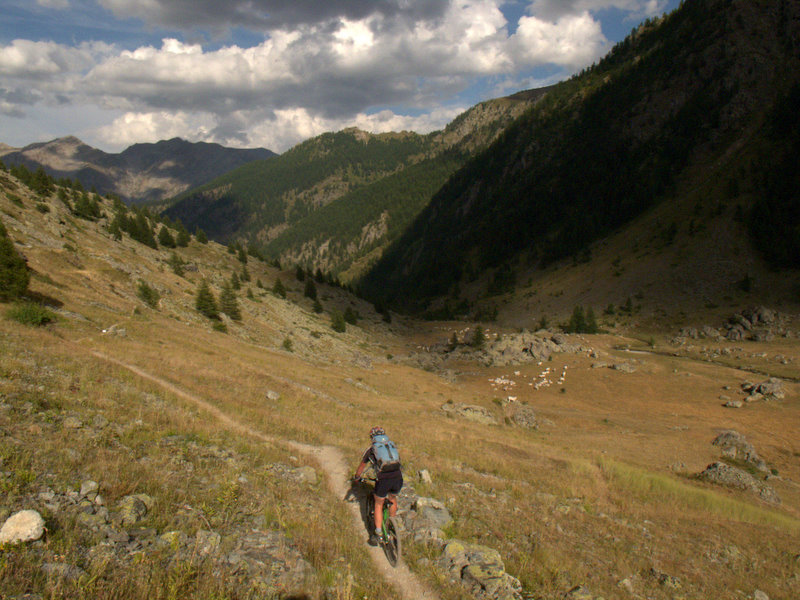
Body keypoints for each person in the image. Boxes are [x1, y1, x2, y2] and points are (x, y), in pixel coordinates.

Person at [353, 426, 403, 545]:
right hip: (398, 476)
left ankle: (378, 534)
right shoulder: (391, 445)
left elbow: (362, 467)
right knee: (392, 498)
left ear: (372, 437)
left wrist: (357, 477)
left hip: (384, 478)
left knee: (379, 503)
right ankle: (392, 524)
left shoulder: (372, 449)